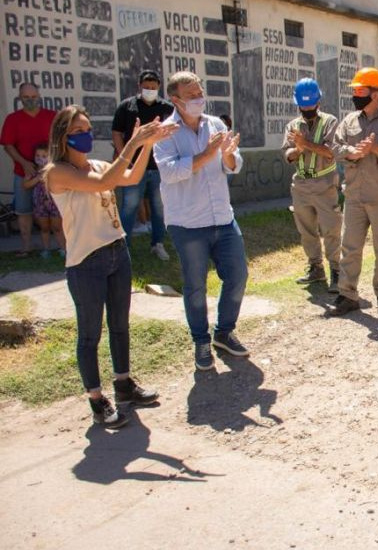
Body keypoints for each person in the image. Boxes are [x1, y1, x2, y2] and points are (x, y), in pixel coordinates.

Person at [45, 105, 174, 428]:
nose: (84, 136)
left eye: (87, 129)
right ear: (61, 137)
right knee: (90, 334)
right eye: (76, 132)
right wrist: (132, 143)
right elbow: (103, 180)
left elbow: (130, 176)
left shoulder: (100, 164)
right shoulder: (56, 173)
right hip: (86, 260)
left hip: (117, 251)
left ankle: (124, 384)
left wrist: (146, 146)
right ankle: (96, 398)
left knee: (120, 325)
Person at [153, 71, 248, 371]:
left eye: (199, 92)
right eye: (191, 95)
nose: (198, 98)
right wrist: (208, 153)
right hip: (187, 223)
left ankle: (223, 332)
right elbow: (170, 172)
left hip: (222, 217)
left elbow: (232, 166)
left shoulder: (216, 124)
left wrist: (229, 156)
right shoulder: (165, 132)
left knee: (238, 276)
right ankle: (201, 341)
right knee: (195, 286)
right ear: (175, 99)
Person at [327, 67, 378, 317]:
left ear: (375, 94)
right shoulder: (349, 120)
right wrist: (354, 152)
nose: (356, 95)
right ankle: (348, 295)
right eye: (355, 91)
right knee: (350, 247)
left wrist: (375, 148)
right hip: (355, 196)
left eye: (361, 91)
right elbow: (335, 148)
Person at [282, 78, 342, 293]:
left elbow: (330, 151)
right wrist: (297, 150)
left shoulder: (330, 122)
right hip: (301, 184)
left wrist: (305, 144)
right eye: (303, 106)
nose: (307, 109)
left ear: (319, 102)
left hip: (324, 183)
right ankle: (315, 267)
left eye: (311, 105)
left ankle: (337, 270)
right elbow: (288, 155)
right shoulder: (292, 125)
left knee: (331, 229)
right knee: (306, 230)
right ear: (297, 104)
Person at [111, 70, 174, 260]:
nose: (150, 90)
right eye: (146, 87)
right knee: (129, 207)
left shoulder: (167, 108)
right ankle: (124, 247)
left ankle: (157, 244)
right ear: (140, 86)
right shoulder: (127, 106)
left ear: (159, 87)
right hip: (133, 168)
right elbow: (116, 133)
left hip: (158, 167)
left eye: (153, 88)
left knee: (159, 208)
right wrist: (125, 157)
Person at [1, 83, 57, 256]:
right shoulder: (13, 119)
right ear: (20, 98)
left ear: (39, 96)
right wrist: (24, 163)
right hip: (23, 172)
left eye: (33, 97)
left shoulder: (52, 116)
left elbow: (61, 140)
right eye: (26, 97)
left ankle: (61, 246)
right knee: (24, 210)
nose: (30, 100)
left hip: (50, 173)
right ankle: (26, 247)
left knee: (56, 210)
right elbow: (8, 145)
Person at [22, 144, 66, 258]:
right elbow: (25, 185)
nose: (40, 158)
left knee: (58, 228)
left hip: (54, 203)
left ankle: (64, 249)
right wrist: (37, 178)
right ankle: (46, 250)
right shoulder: (33, 170)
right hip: (40, 204)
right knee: (44, 228)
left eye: (44, 156)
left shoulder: (56, 169)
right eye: (37, 155)